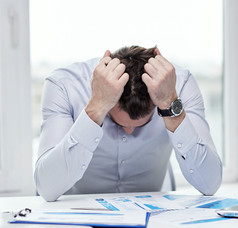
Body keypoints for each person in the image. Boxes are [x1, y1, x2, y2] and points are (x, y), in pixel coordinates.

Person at [35, 46, 222, 201]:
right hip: (76, 219)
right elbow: (47, 187)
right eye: (116, 121)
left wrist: (170, 104)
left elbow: (210, 183)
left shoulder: (179, 85)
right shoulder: (64, 85)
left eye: (142, 124)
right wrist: (96, 108)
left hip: (155, 222)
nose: (129, 131)